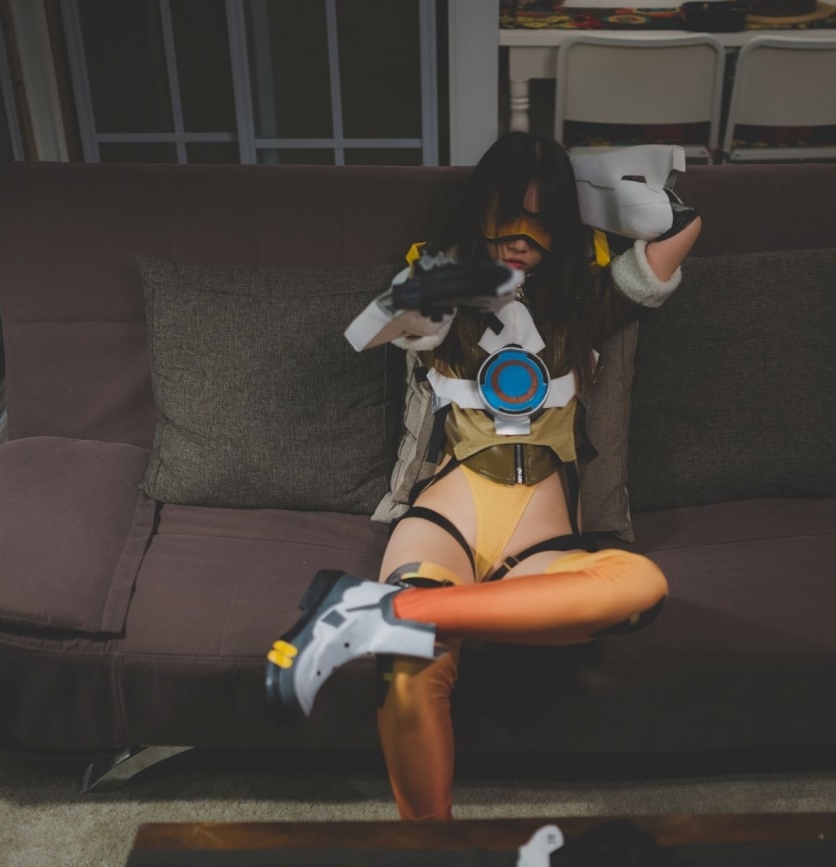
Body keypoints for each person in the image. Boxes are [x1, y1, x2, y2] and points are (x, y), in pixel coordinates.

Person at [265, 133, 702, 820]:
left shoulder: (585, 301)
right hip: (446, 518)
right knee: (409, 667)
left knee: (640, 587)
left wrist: (582, 187)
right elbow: (374, 328)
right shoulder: (446, 296)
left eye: (544, 219)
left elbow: (681, 227)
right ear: (481, 209)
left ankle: (374, 612)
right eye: (509, 214)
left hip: (544, 540)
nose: (523, 236)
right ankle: (430, 854)